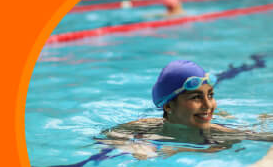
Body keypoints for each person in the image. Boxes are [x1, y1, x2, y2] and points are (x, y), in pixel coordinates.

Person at [100, 60, 273, 159]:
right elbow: (109, 134)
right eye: (196, 97)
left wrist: (181, 150)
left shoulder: (220, 133)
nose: (208, 105)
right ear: (168, 106)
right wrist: (131, 146)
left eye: (210, 96)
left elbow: (261, 138)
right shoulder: (147, 126)